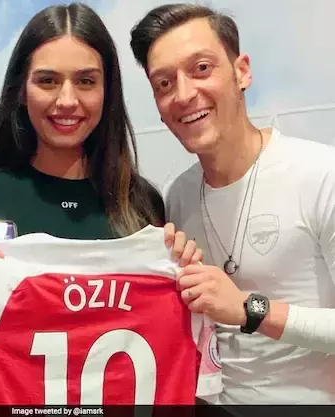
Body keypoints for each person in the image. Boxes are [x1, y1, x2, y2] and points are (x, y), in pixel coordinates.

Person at [130, 3, 335, 405]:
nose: (184, 94)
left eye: (201, 68)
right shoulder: (177, 196)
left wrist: (249, 309)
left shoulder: (321, 173)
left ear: (242, 71)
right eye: (164, 83)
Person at [0, 2, 174, 256]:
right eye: (48, 81)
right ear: (21, 91)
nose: (67, 100)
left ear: (107, 91)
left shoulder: (144, 204)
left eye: (85, 81)